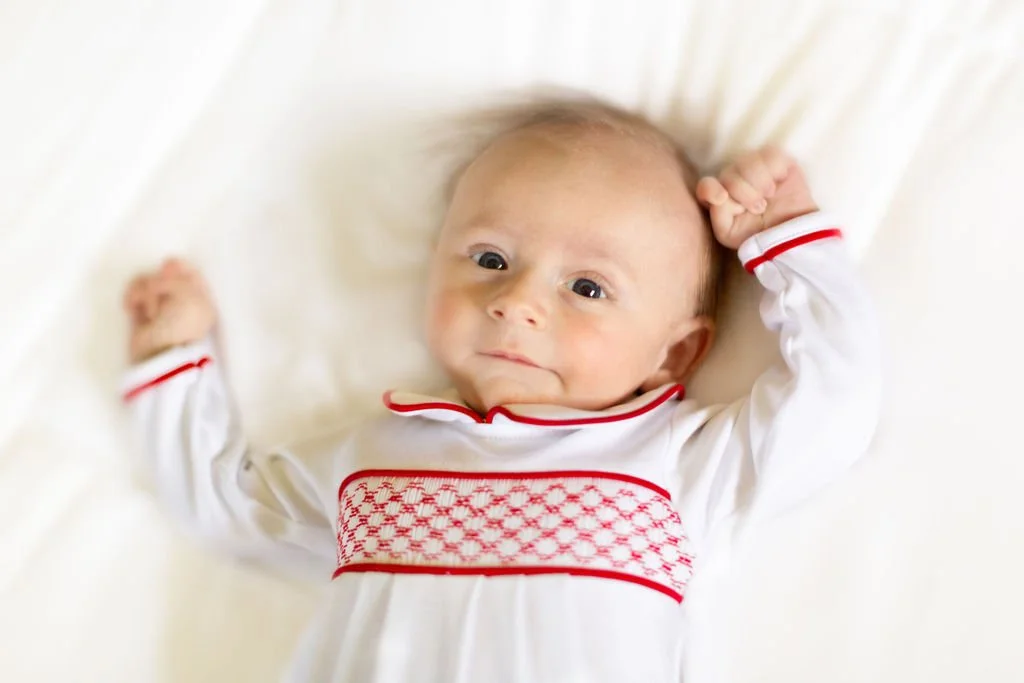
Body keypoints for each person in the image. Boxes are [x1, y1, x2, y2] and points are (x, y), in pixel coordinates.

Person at [121, 97, 880, 682]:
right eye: (489, 257)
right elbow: (229, 509)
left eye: (587, 286)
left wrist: (788, 246)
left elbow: (833, 408)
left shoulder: (674, 468)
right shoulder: (371, 456)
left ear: (675, 352)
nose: (518, 300)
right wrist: (173, 363)